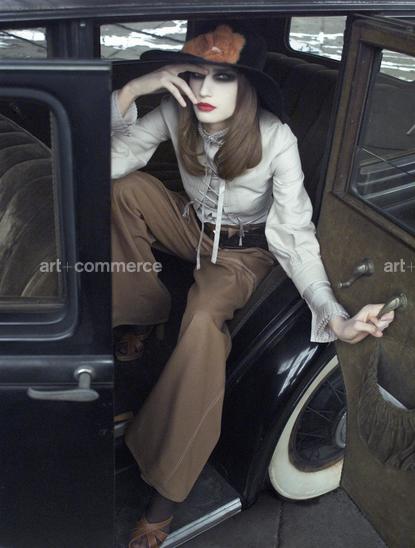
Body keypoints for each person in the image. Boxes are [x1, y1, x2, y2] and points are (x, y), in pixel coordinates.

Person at [110, 23, 394, 548]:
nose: (203, 89)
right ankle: (143, 315)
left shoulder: (275, 138)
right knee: (124, 190)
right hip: (193, 227)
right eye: (195, 73)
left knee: (202, 318)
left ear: (247, 86)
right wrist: (131, 90)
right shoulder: (176, 111)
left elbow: (295, 237)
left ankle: (167, 488)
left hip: (245, 252)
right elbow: (110, 164)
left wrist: (333, 316)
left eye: (222, 77)